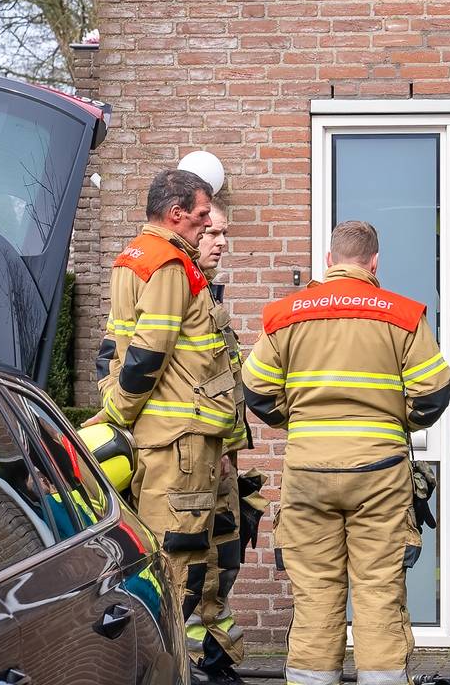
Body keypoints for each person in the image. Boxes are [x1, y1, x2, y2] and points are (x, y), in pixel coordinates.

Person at [242, 221, 450, 685]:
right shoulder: (403, 315)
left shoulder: (287, 315)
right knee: (379, 590)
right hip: (380, 471)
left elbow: (255, 389)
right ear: (374, 262)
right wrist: (398, 424)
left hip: (307, 470)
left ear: (329, 260)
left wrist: (297, 424)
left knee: (315, 593)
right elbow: (434, 392)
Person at [85, 169, 236, 651]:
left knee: (156, 550)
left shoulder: (133, 257)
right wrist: (117, 413)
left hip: (161, 435)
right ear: (176, 214)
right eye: (201, 215)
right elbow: (148, 352)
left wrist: (112, 404)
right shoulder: (171, 265)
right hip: (179, 438)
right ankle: (162, 661)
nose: (206, 224)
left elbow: (113, 346)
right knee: (178, 560)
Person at [186, 202, 256, 685]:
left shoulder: (209, 298)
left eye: (224, 234)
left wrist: (230, 454)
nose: (221, 242)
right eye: (212, 233)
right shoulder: (175, 296)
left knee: (223, 563)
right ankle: (194, 667)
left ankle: (215, 661)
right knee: (194, 571)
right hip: (191, 464)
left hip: (220, 464)